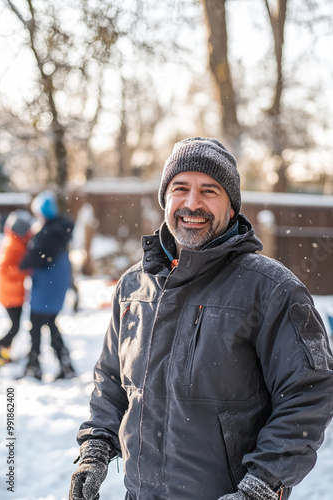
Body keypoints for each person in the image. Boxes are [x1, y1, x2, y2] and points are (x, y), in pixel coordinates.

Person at [69, 137, 333, 500]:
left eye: (209, 191)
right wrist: (96, 448)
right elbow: (112, 381)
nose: (192, 203)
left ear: (231, 206)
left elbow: (309, 393)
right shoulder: (134, 287)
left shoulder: (272, 290)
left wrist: (262, 485)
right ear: (166, 199)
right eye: (181, 188)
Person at [19, 190, 76, 380]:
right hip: (55, 284)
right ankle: (65, 366)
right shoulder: (58, 228)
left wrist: (21, 263)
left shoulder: (49, 233)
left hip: (47, 287)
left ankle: (34, 367)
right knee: (50, 325)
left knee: (36, 327)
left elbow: (37, 258)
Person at [0, 210, 33, 365]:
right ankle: (0, 349)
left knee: (15, 326)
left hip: (12, 291)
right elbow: (4, 268)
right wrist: (23, 270)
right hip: (10, 293)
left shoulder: (15, 241)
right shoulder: (13, 244)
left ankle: (4, 353)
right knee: (15, 327)